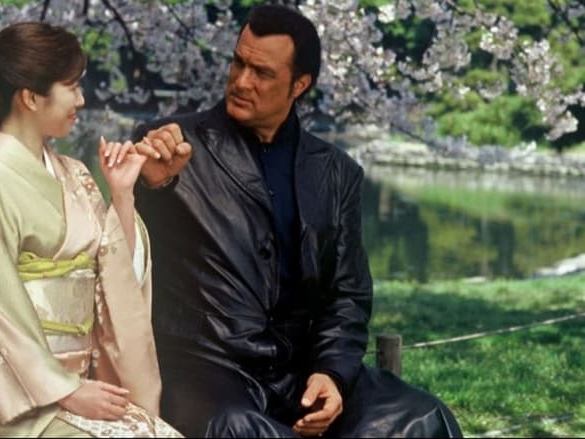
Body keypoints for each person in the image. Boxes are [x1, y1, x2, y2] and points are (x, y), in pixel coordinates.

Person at [133, 5, 463, 438]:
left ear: (299, 84)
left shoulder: (337, 173)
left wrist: (332, 373)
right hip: (205, 369)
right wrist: (153, 185)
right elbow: (128, 245)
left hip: (301, 370)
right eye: (238, 62)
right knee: (239, 428)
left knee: (421, 418)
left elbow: (346, 295)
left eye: (262, 73)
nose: (241, 81)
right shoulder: (170, 145)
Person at [0, 22, 180, 438]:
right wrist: (65, 390)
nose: (81, 99)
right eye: (71, 87)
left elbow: (114, 282)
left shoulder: (75, 175)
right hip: (13, 400)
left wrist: (122, 195)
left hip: (80, 385)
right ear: (30, 97)